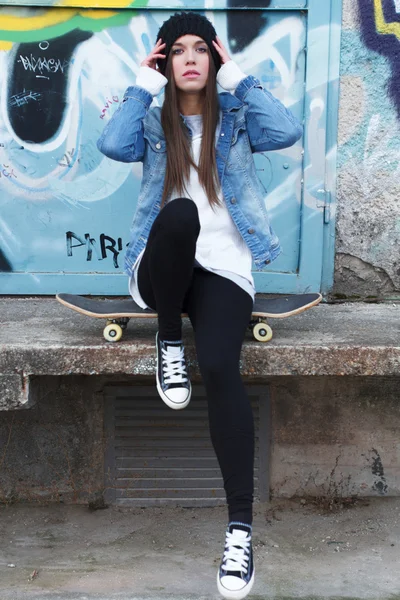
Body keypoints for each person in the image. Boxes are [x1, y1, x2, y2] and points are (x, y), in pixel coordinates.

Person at [97, 11, 302, 599]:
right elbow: (112, 144)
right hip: (161, 271)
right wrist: (141, 84)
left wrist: (238, 75)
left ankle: (239, 534)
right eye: (177, 50)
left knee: (218, 364)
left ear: (214, 59)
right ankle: (168, 338)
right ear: (164, 61)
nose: (189, 58)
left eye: (201, 49)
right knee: (180, 214)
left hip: (225, 267)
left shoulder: (235, 115)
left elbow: (285, 131)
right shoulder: (151, 119)